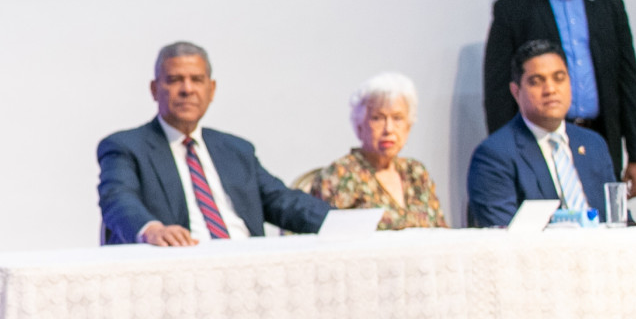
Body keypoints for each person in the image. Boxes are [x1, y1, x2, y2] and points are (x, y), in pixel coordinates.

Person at [98, 42, 330, 245]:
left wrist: (343, 222)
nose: (187, 89)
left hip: (248, 260)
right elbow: (118, 199)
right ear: (154, 89)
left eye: (197, 80)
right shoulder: (126, 147)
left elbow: (283, 201)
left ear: (211, 90)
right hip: (181, 261)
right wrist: (152, 230)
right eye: (175, 80)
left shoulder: (236, 150)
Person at [483, 0, 636, 198]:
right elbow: (498, 92)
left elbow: (629, 83)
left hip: (600, 138)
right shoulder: (513, 9)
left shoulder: (609, 7)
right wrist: (507, 154)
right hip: (538, 140)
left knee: (601, 218)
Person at [468, 39, 618, 227]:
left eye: (559, 78)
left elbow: (617, 219)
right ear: (516, 92)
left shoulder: (593, 144)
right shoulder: (494, 155)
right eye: (537, 82)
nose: (550, 89)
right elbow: (504, 234)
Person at [305, 73, 447, 229]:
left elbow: (442, 232)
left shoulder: (416, 173)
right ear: (360, 124)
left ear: (409, 125)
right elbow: (328, 236)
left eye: (397, 118)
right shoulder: (340, 175)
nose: (389, 129)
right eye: (377, 118)